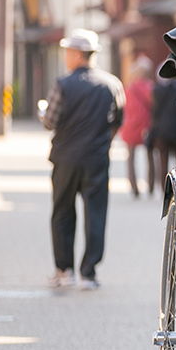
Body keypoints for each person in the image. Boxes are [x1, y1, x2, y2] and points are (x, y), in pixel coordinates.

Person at [41, 29, 125, 290]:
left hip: (66, 158)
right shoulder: (112, 84)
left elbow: (49, 121)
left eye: (68, 52)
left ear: (77, 55)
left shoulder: (63, 84)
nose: (66, 56)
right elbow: (117, 120)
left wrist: (44, 114)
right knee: (96, 215)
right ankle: (88, 273)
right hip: (96, 159)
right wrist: (103, 141)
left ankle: (64, 270)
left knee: (62, 213)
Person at [119, 55, 154, 197]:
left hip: (130, 126)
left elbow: (123, 106)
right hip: (146, 125)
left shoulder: (129, 88)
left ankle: (134, 188)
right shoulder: (151, 87)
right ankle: (151, 186)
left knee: (130, 158)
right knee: (150, 156)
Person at [148, 74, 176, 194]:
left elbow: (154, 112)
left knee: (163, 162)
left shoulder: (156, 91)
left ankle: (165, 191)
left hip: (162, 132)